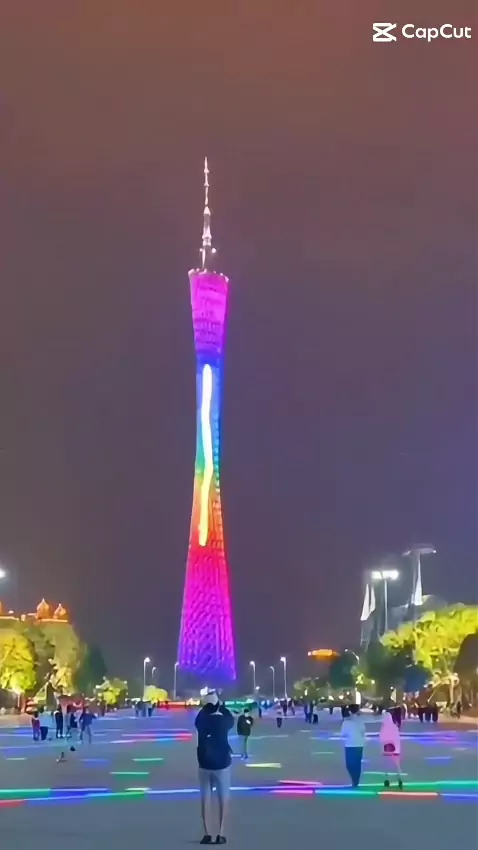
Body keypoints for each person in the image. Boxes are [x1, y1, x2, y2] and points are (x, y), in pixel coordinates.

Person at [195, 692, 234, 845]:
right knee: (223, 798)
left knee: (205, 799)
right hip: (222, 763)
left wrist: (206, 707)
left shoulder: (201, 720)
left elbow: (200, 716)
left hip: (204, 763)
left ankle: (207, 833)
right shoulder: (223, 721)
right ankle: (220, 832)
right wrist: (221, 706)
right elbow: (231, 718)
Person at [341, 704, 366, 788]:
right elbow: (363, 731)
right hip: (359, 744)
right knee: (357, 763)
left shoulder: (346, 722)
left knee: (349, 764)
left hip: (350, 744)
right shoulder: (360, 721)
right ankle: (356, 780)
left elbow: (343, 734)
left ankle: (354, 779)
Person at [379, 710, 403, 789]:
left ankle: (387, 779)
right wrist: (397, 750)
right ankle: (399, 779)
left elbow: (381, 739)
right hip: (394, 748)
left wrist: (382, 750)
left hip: (386, 748)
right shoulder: (394, 727)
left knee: (387, 765)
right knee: (396, 764)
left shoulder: (383, 728)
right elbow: (397, 739)